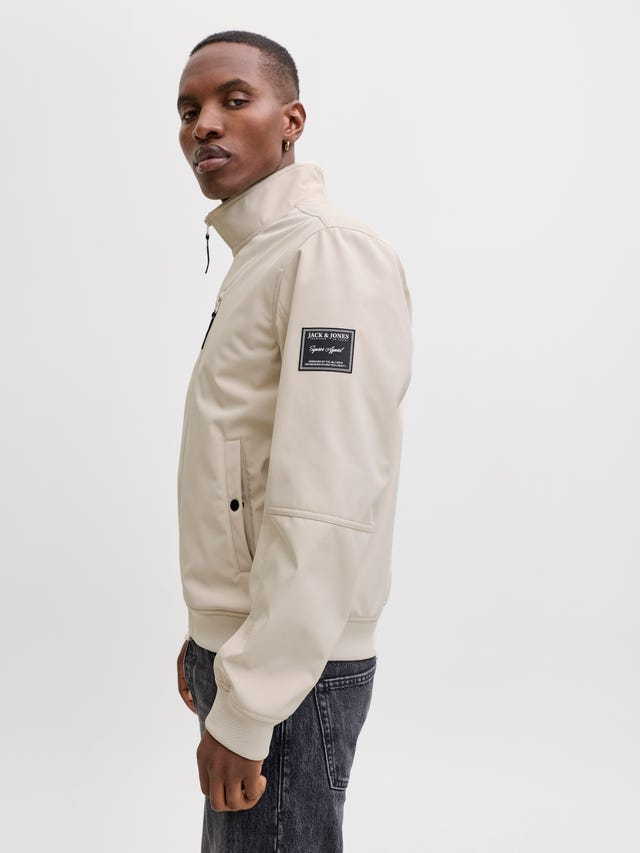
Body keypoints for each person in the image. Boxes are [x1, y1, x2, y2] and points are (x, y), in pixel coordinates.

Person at [174, 30, 413, 852]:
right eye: (189, 109)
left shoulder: (328, 254)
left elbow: (326, 496)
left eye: (234, 99)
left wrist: (250, 699)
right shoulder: (264, 256)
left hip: (290, 676)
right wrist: (210, 629)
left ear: (292, 120)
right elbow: (245, 469)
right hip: (256, 652)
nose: (204, 124)